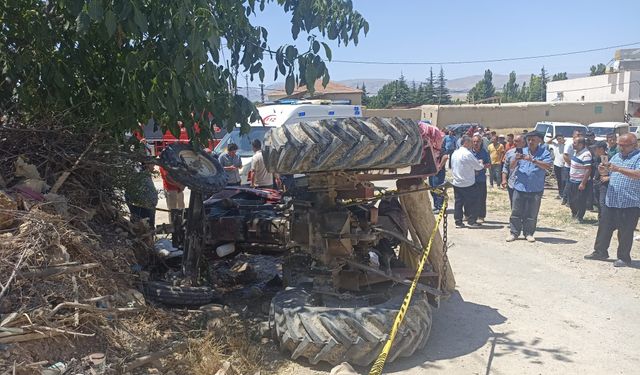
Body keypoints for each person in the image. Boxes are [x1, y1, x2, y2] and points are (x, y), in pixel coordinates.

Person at [584, 133, 640, 267]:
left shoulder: (638, 157)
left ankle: (624, 258)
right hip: (612, 200)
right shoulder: (616, 156)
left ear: (634, 145)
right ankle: (600, 251)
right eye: (620, 145)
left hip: (630, 202)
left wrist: (618, 169)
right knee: (604, 228)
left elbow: (638, 174)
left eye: (624, 145)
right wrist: (602, 170)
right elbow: (608, 173)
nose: (621, 148)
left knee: (625, 232)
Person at [506, 131, 552, 242]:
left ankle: (529, 233)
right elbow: (511, 167)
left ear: (539, 141)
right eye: (529, 140)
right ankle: (514, 233)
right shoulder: (522, 151)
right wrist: (516, 159)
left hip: (535, 188)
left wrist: (533, 160)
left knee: (532, 213)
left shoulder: (544, 153)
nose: (530, 142)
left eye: (533, 140)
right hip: (520, 186)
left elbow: (548, 166)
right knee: (516, 211)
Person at [450, 135, 485, 228]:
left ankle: (458, 221)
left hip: (457, 182)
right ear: (466, 143)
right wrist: (481, 162)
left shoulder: (455, 153)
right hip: (468, 182)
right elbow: (478, 167)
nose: (472, 145)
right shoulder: (468, 154)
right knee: (474, 202)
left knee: (458, 203)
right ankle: (472, 220)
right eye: (470, 142)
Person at [125, 161, 158, 228]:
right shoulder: (139, 173)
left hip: (148, 206)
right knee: (141, 228)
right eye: (153, 163)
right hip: (142, 208)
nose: (154, 165)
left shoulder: (145, 173)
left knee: (149, 227)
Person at [567, 137, 592, 222]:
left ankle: (579, 217)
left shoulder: (586, 154)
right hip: (572, 180)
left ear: (581, 144)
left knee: (580, 201)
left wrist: (583, 183)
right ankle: (574, 214)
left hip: (580, 182)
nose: (573, 145)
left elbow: (588, 169)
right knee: (571, 200)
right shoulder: (576, 152)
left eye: (575, 143)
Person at [501, 135, 525, 206]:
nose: (515, 143)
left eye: (517, 141)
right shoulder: (509, 153)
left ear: (523, 142)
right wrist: (504, 179)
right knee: (514, 204)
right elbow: (505, 167)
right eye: (514, 141)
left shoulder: (528, 153)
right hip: (512, 183)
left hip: (524, 184)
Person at [471, 135, 491, 223]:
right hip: (470, 180)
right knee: (470, 198)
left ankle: (481, 216)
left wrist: (482, 166)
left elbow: (489, 165)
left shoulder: (484, 152)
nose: (476, 143)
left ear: (481, 142)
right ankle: (468, 214)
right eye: (474, 141)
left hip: (481, 179)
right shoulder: (469, 153)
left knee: (481, 198)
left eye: (478, 141)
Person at [591, 141, 609, 220]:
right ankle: (600, 219)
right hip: (596, 182)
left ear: (601, 149)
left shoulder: (606, 158)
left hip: (603, 184)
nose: (594, 150)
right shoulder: (597, 158)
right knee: (598, 202)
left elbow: (606, 172)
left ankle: (604, 220)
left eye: (596, 149)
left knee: (602, 202)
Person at [551, 135, 567, 199]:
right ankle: (560, 193)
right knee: (559, 180)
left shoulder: (566, 145)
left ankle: (564, 194)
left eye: (560, 139)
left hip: (564, 165)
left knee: (563, 180)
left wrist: (563, 141)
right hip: (556, 164)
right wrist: (554, 137)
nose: (559, 140)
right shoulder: (556, 145)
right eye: (557, 139)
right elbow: (547, 141)